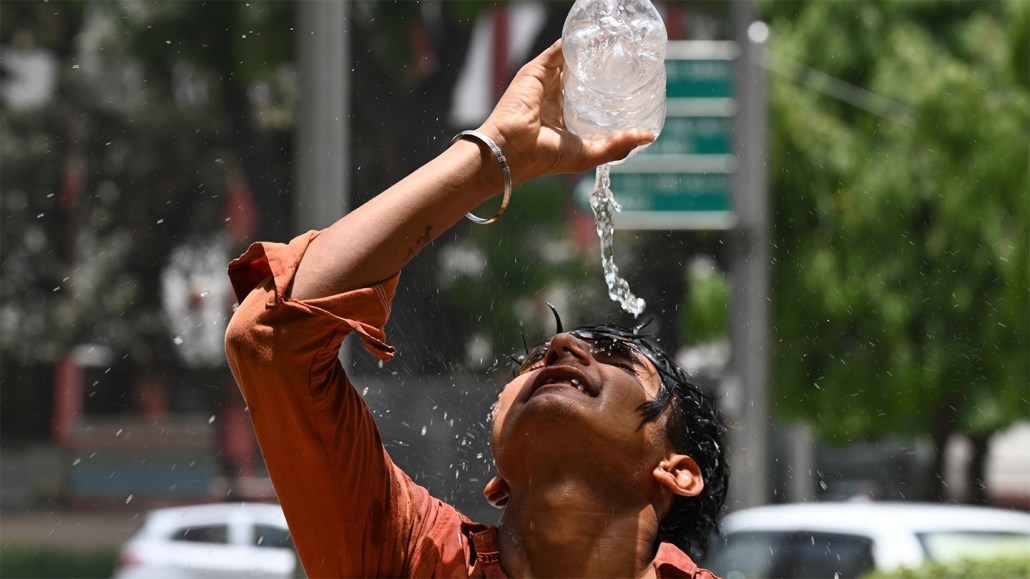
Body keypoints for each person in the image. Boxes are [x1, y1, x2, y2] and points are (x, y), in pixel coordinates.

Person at [225, 40, 728, 578]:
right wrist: (491, 158)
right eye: (530, 364)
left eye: (616, 357)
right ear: (498, 483)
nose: (562, 347)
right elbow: (273, 338)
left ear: (678, 472)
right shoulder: (412, 556)